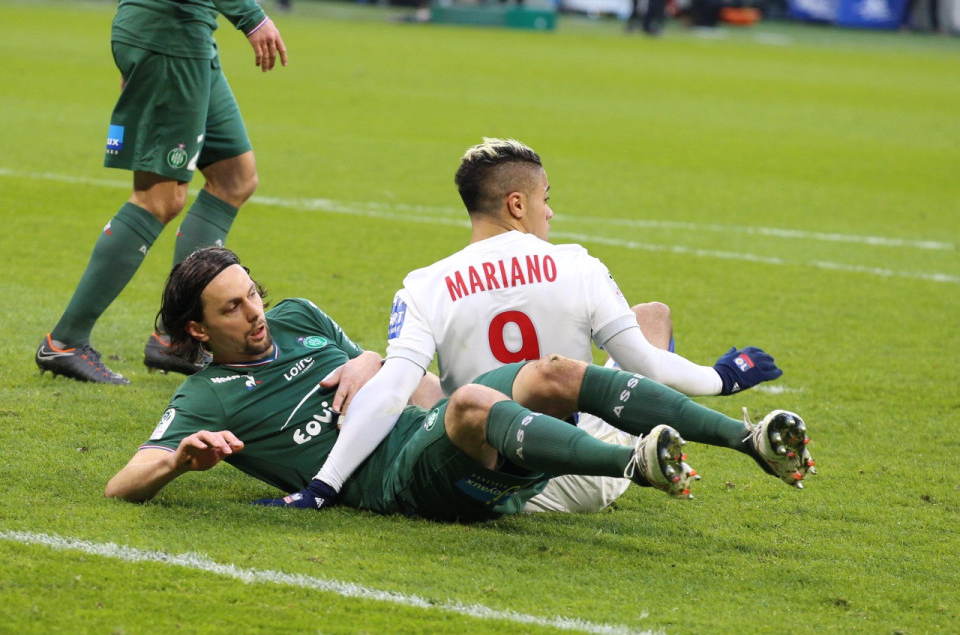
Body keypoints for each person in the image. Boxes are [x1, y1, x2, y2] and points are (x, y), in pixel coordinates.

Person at [266, 139, 815, 511]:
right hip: (576, 475)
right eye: (545, 200)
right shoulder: (577, 263)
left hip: (481, 462)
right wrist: (722, 377)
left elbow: (389, 392)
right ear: (516, 203)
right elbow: (646, 367)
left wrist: (323, 485)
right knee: (654, 319)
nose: (550, 213)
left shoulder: (424, 282)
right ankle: (674, 447)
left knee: (411, 376)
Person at [105, 247, 813, 522]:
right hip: (397, 482)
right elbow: (123, 483)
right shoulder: (206, 398)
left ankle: (747, 439)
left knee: (553, 372)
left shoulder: (296, 317)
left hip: (424, 423)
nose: (255, 311)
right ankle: (637, 461)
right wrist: (177, 460)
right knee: (479, 401)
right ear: (198, 332)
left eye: (251, 292)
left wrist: (368, 361)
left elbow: (394, 381)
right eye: (232, 308)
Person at [35, 0, 288, 386]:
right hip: (168, 36)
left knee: (234, 178)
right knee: (158, 198)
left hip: (186, 35)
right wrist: (253, 18)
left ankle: (175, 339)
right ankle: (66, 340)